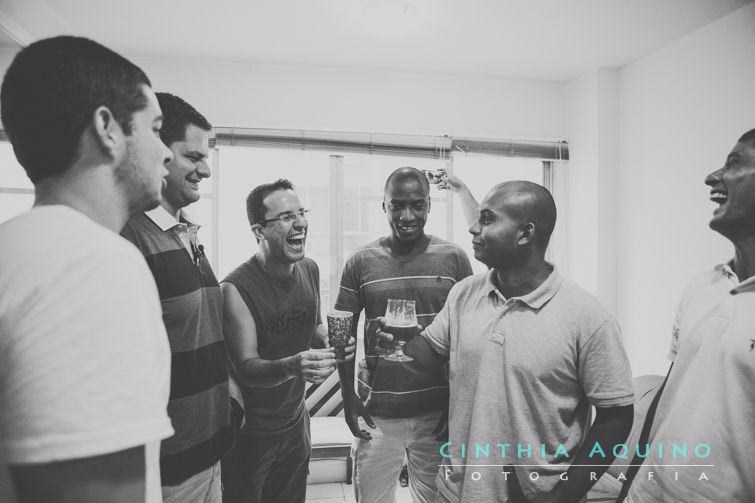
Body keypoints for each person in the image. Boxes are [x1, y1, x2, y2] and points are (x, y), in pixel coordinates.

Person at [378, 180, 635, 502]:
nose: (473, 228)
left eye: (487, 219)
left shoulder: (587, 316)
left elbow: (616, 417)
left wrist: (566, 494)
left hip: (536, 495)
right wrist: (401, 344)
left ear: (525, 233)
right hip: (454, 491)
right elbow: (429, 354)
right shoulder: (464, 294)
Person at [0, 36, 174, 503]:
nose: (166, 152)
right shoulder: (92, 266)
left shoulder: (14, 247)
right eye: (156, 128)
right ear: (107, 128)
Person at [626, 129, 755, 502]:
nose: (712, 177)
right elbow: (668, 395)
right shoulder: (701, 286)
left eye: (733, 163)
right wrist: (630, 484)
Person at [121, 92, 235, 503]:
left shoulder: (186, 232)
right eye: (194, 157)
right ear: (157, 151)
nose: (206, 169)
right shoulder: (129, 236)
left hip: (210, 456)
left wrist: (231, 404)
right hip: (165, 472)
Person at [336, 167, 473, 503]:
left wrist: (459, 407)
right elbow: (343, 332)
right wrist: (347, 396)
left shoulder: (454, 259)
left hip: (437, 412)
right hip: (377, 414)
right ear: (384, 206)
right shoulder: (360, 261)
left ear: (429, 206)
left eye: (417, 205)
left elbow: (468, 338)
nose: (407, 216)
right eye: (397, 205)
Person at [221, 179, 355, 503]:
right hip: (251, 434)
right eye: (286, 217)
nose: (300, 223)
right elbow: (246, 367)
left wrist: (329, 340)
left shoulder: (309, 269)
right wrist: (294, 366)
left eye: (302, 213)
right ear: (259, 231)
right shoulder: (235, 289)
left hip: (296, 421)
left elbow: (314, 328)